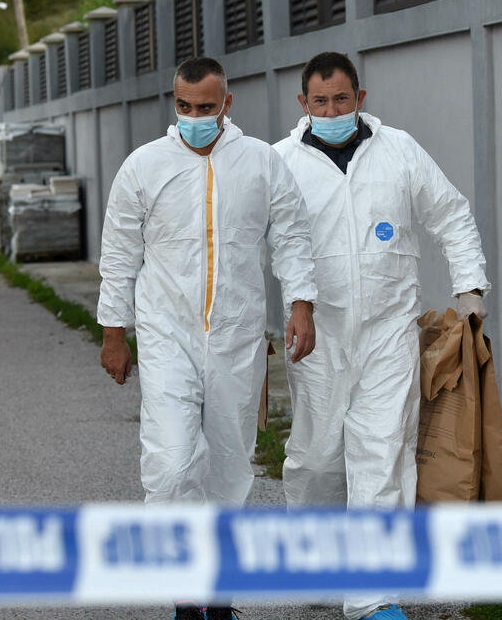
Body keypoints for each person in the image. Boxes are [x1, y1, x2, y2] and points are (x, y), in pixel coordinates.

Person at [98, 57, 318, 620]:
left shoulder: (260, 162)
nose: (194, 117)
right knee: (172, 463)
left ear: (227, 104)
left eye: (205, 107)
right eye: (184, 107)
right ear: (174, 103)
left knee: (229, 466)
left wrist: (301, 303)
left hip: (236, 337)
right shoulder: (144, 166)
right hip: (166, 335)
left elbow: (292, 235)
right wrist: (113, 332)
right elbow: (119, 253)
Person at [273, 52, 490, 620]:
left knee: (384, 453)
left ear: (360, 98)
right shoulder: (280, 163)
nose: (331, 111)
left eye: (341, 99)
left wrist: (469, 288)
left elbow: (451, 213)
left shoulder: (399, 150)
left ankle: (372, 596)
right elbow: (251, 241)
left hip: (390, 331)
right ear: (303, 104)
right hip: (317, 336)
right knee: (317, 459)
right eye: (320, 101)